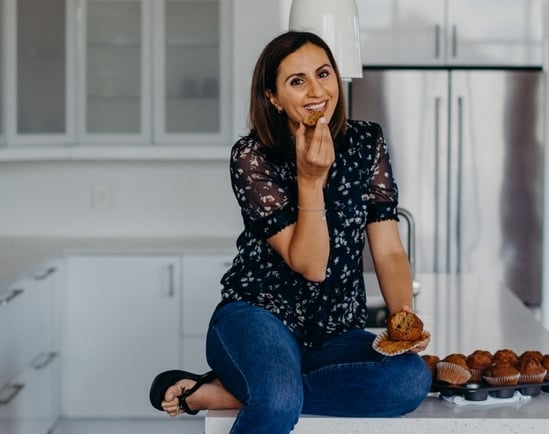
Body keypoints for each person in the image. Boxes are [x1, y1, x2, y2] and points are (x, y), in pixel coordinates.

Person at [149, 30, 432, 433]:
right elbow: (311, 265)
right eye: (297, 81)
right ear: (273, 98)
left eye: (324, 73)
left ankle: (233, 392)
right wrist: (310, 179)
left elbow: (387, 249)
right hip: (258, 317)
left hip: (336, 332)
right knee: (279, 401)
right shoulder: (252, 156)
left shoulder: (367, 142)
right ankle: (271, 390)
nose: (317, 91)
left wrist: (403, 314)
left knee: (411, 379)